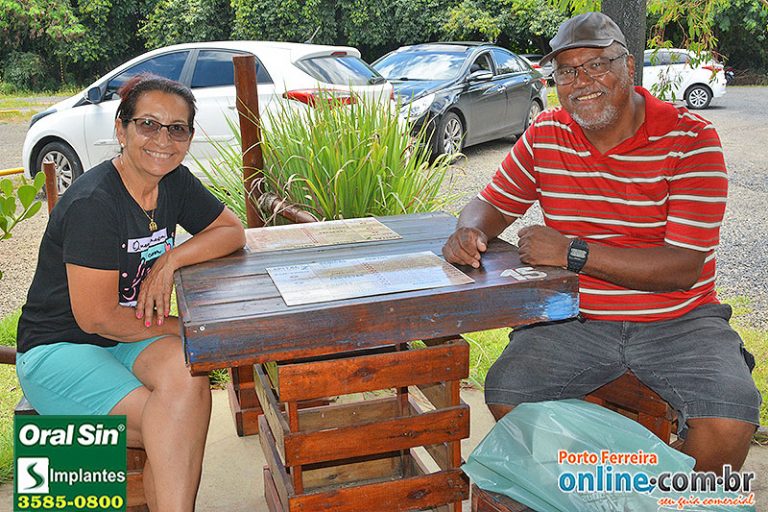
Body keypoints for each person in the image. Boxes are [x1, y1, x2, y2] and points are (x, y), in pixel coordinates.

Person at [442, 12, 760, 475]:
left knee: (729, 420)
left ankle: (669, 502)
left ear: (628, 66)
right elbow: (490, 203)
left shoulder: (690, 139)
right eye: (566, 71)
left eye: (596, 64)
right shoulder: (547, 134)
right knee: (509, 390)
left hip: (681, 319)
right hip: (577, 317)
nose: (581, 81)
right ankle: (599, 489)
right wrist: (468, 230)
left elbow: (683, 267)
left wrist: (573, 253)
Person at [16, 74, 246, 510]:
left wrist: (170, 260)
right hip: (59, 347)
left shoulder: (174, 182)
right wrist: (186, 328)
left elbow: (231, 231)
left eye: (177, 129)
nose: (163, 139)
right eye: (148, 124)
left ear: (189, 138)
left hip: (125, 338)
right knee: (176, 419)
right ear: (121, 130)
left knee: (190, 379)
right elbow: (97, 318)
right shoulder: (94, 203)